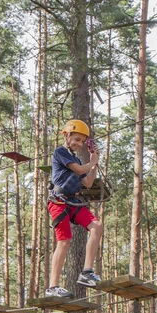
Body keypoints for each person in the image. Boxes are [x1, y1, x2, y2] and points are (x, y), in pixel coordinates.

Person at [45, 119, 104, 298]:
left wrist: (94, 163)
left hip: (73, 201)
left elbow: (87, 181)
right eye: (76, 139)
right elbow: (78, 171)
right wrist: (91, 162)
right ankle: (52, 287)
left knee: (97, 226)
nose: (78, 144)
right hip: (59, 202)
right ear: (66, 135)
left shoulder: (77, 158)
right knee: (64, 241)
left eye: (81, 141)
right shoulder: (60, 152)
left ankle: (86, 272)